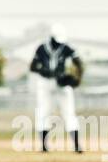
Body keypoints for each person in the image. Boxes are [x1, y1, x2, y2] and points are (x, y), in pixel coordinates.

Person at [29, 24, 84, 153]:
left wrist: (77, 79)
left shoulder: (66, 48)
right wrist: (45, 71)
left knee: (69, 113)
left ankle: (76, 146)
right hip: (45, 84)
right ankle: (43, 146)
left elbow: (78, 63)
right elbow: (33, 66)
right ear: (52, 38)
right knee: (43, 112)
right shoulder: (42, 48)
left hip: (61, 83)